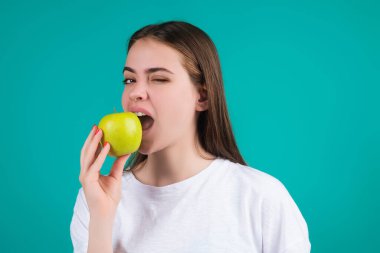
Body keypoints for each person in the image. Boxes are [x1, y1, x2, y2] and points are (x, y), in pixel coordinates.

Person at [70, 21, 311, 253]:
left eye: (159, 79)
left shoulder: (261, 197)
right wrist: (101, 218)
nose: (136, 93)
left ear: (202, 97)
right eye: (130, 80)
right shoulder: (96, 199)